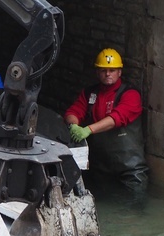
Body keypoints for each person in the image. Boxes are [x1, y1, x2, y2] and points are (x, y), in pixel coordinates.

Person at [63, 48, 148, 196]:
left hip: (130, 173)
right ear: (97, 72)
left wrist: (88, 129)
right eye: (103, 70)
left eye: (112, 70)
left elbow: (117, 118)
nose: (108, 74)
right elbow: (73, 112)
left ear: (119, 72)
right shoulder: (90, 93)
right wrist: (73, 125)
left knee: (134, 208)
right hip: (100, 171)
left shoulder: (130, 94)